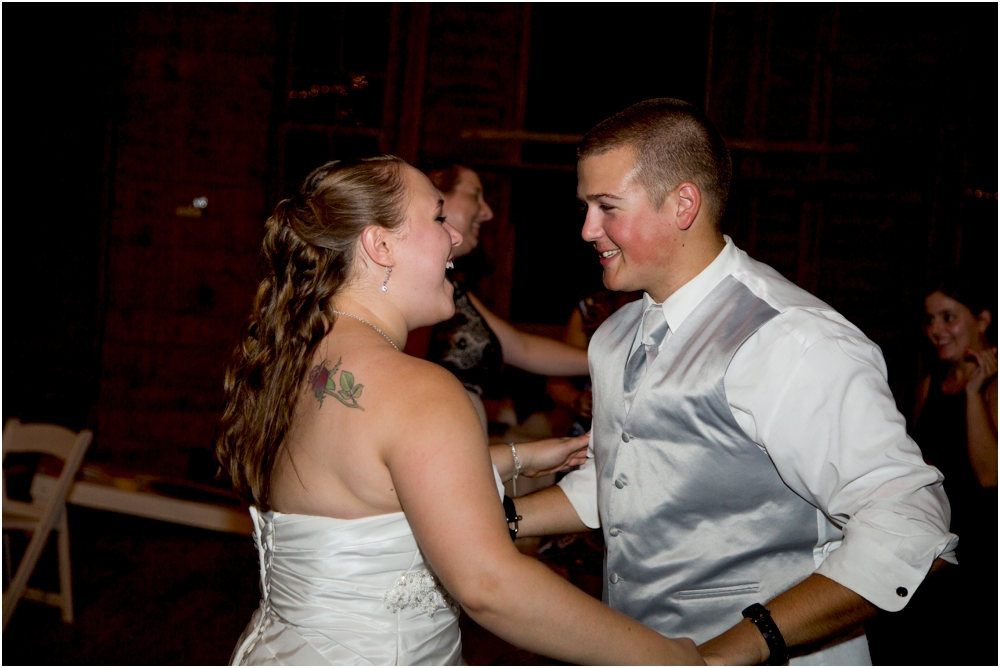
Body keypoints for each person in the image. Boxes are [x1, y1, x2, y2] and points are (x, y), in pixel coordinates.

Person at [510, 99, 959, 665]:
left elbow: (910, 528)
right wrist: (496, 523)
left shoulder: (790, 339)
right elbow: (622, 479)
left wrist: (731, 651)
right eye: (585, 207)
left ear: (683, 204)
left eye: (607, 207)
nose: (586, 229)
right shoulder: (615, 335)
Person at [215, 156, 702, 665]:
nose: (453, 238)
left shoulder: (288, 363)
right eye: (437, 218)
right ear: (380, 245)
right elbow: (489, 585)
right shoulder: (419, 389)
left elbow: (369, 489)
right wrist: (670, 657)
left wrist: (518, 458)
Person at [418, 164, 590, 433]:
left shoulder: (449, 287)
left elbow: (522, 348)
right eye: (475, 195)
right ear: (435, 195)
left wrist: (610, 358)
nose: (487, 211)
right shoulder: (414, 285)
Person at [547, 289, 641, 436]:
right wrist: (577, 400)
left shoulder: (676, 309)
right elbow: (556, 381)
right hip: (592, 429)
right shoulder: (592, 310)